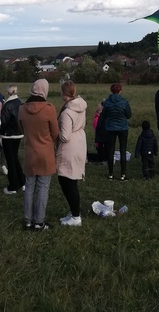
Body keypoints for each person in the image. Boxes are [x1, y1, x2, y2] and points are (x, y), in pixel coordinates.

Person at [18, 79, 59, 231]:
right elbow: (55, 132)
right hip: (45, 153)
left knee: (29, 187)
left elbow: (21, 129)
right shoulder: (49, 109)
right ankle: (39, 222)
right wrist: (46, 140)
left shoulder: (22, 108)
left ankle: (28, 221)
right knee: (43, 187)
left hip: (30, 152)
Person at [55, 80, 87, 226]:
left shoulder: (67, 112)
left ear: (64, 93)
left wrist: (55, 130)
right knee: (70, 180)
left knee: (68, 181)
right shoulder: (81, 107)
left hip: (69, 148)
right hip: (79, 143)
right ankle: (74, 211)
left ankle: (75, 216)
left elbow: (65, 136)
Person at [101, 83, 132, 181]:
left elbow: (104, 115)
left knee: (110, 150)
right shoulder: (124, 102)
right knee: (123, 150)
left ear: (111, 91)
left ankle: (111, 174)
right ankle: (123, 175)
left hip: (110, 128)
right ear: (120, 91)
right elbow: (129, 115)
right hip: (122, 128)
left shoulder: (107, 102)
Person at [0, 84, 24, 195]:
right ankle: (22, 182)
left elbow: (3, 122)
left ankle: (13, 186)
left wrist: (0, 132)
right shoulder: (20, 103)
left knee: (10, 161)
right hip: (18, 134)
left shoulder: (7, 105)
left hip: (8, 135)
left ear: (7, 93)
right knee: (15, 158)